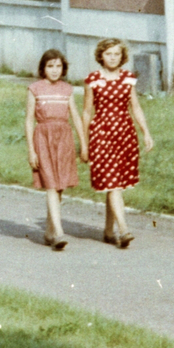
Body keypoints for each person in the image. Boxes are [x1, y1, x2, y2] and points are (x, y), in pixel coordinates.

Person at [82, 37, 153, 247]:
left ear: (122, 57)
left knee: (116, 184)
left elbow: (136, 107)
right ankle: (123, 229)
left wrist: (146, 132)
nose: (112, 58)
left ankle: (108, 230)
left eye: (116, 54)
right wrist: (84, 143)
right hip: (102, 135)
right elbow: (86, 112)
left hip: (124, 134)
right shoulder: (92, 80)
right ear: (101, 56)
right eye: (108, 54)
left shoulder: (128, 79)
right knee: (112, 184)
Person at [25, 48, 86, 250]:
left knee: (59, 186)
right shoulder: (34, 89)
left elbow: (76, 117)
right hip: (43, 137)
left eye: (58, 66)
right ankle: (59, 233)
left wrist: (83, 143)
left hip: (64, 138)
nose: (54, 70)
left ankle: (50, 231)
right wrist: (31, 150)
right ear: (43, 68)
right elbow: (29, 120)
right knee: (50, 184)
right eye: (50, 66)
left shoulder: (67, 89)